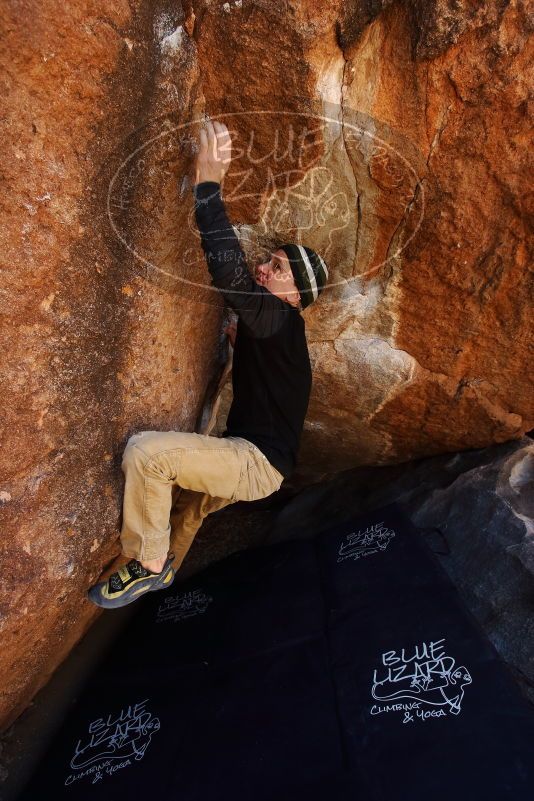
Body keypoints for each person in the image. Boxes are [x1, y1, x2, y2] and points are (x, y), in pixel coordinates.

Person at [88, 120, 329, 608]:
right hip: (255, 459)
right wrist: (241, 343)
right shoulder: (277, 331)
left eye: (277, 268)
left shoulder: (281, 318)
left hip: (254, 463)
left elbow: (231, 276)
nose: (263, 267)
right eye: (269, 260)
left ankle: (148, 565)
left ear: (296, 296)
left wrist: (208, 187)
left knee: (148, 456)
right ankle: (167, 571)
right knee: (188, 508)